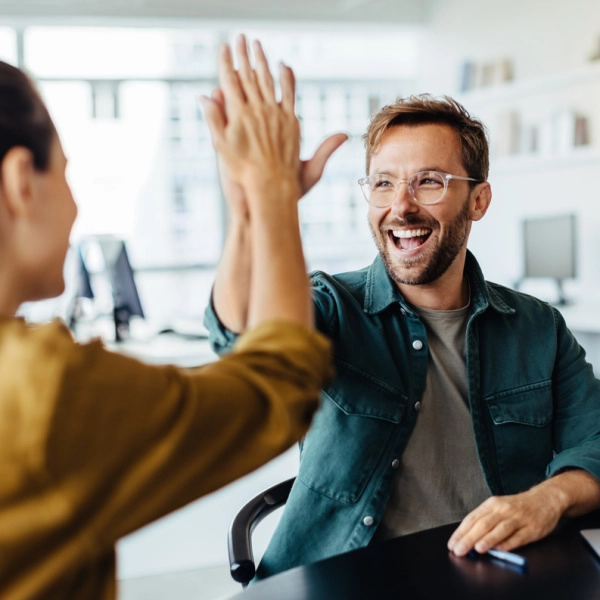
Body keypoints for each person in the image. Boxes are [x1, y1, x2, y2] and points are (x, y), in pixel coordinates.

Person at [205, 91, 600, 580]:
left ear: (478, 200)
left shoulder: (539, 328)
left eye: (429, 182)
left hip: (493, 578)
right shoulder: (331, 307)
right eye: (383, 183)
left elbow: (595, 441)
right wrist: (253, 208)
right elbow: (240, 334)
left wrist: (550, 498)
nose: (401, 206)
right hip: (342, 579)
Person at [0, 36, 335, 599]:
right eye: (66, 172)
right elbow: (278, 383)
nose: (77, 205)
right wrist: (273, 190)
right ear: (19, 183)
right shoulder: (37, 388)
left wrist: (256, 209)